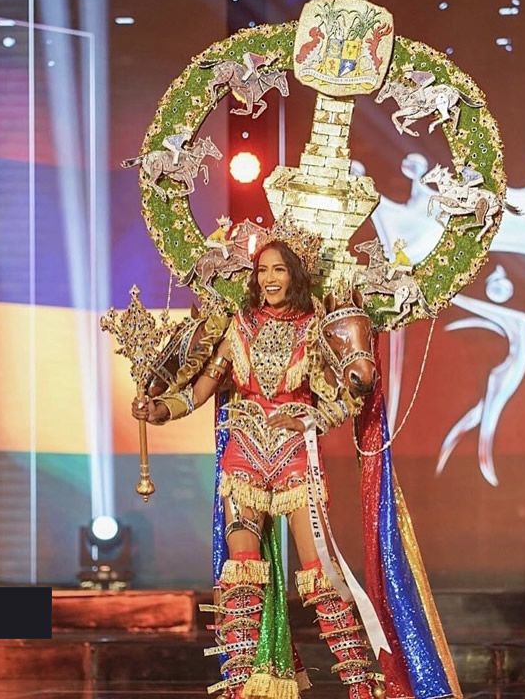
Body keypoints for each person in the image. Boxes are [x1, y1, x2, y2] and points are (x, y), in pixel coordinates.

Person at [132, 240, 375, 699]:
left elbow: (347, 397)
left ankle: (361, 686)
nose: (269, 279)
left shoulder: (314, 329)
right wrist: (158, 410)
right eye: (262, 270)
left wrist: (313, 419)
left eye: (278, 270)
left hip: (295, 457)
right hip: (243, 455)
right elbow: (199, 391)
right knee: (242, 574)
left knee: (320, 575)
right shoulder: (239, 326)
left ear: (294, 275)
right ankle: (240, 688)